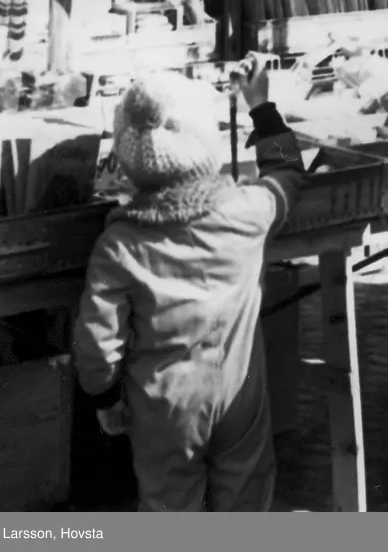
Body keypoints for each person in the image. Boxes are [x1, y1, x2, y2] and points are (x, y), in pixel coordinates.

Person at [73, 61, 308, 511]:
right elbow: (288, 173)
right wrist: (261, 107)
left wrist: (104, 397)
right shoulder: (247, 212)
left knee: (170, 509)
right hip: (240, 393)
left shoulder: (119, 244)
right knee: (245, 503)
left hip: (163, 408)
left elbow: (99, 341)